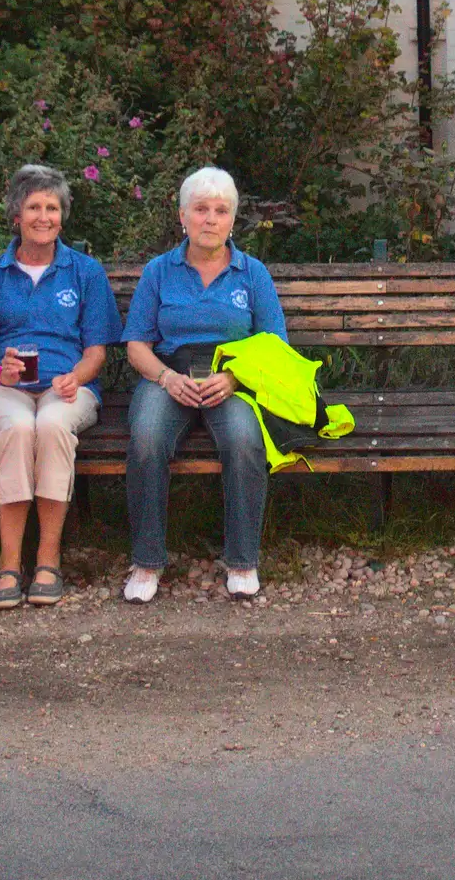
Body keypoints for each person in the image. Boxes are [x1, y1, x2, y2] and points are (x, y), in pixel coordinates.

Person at [120, 167, 286, 604]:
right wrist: (166, 377)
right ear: (183, 216)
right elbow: (135, 344)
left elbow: (274, 345)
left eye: (221, 210)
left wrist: (234, 378)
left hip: (231, 378)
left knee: (245, 439)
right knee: (147, 437)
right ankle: (147, 560)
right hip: (168, 373)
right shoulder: (159, 272)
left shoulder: (253, 273)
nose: (210, 219)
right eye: (201, 209)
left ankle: (243, 560)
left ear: (233, 220)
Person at [0, 165, 120, 610]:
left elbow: (97, 350)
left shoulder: (85, 272)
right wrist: (1, 375)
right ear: (16, 215)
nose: (43, 216)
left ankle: (48, 558)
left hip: (67, 388)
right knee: (17, 427)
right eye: (33, 206)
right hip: (7, 387)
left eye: (52, 208)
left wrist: (78, 375)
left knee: (53, 424)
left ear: (63, 216)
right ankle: (9, 561)